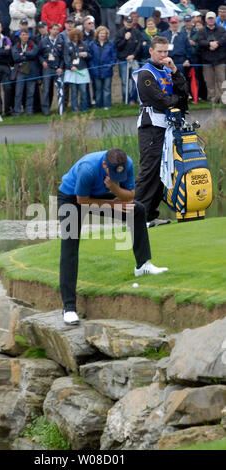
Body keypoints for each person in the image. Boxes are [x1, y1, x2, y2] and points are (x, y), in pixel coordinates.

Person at [57, 147, 169, 325]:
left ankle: (142, 265)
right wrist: (112, 204)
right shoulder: (88, 169)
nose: (120, 175)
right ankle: (69, 307)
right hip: (72, 197)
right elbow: (82, 201)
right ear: (105, 165)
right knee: (70, 245)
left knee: (137, 210)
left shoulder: (127, 164)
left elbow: (130, 196)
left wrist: (114, 187)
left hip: (102, 193)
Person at [132, 35, 188, 226]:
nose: (164, 56)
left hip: (167, 126)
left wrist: (174, 70)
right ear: (151, 51)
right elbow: (162, 101)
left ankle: (150, 216)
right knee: (149, 171)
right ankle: (137, 218)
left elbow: (184, 91)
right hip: (151, 127)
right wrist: (177, 100)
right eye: (160, 52)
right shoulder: (145, 74)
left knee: (163, 171)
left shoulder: (166, 70)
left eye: (166, 52)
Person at [197, 11, 226, 104]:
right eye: (209, 18)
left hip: (220, 60)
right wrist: (209, 44)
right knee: (209, 82)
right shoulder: (202, 31)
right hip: (207, 60)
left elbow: (224, 39)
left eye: (212, 18)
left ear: (215, 19)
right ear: (206, 20)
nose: (210, 20)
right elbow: (200, 41)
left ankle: (223, 99)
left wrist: (217, 43)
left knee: (222, 81)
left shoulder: (221, 29)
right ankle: (212, 99)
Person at [11, 28, 40, 115]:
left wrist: (23, 54)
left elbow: (34, 53)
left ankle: (29, 111)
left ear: (29, 36)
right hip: (20, 72)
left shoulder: (33, 45)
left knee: (30, 93)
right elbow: (15, 57)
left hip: (31, 72)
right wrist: (27, 56)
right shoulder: (16, 46)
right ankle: (17, 111)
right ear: (20, 36)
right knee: (18, 93)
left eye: (26, 35)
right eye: (23, 35)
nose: (25, 36)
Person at [114, 16, 142, 105]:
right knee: (124, 81)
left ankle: (133, 100)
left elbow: (139, 46)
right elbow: (117, 46)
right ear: (124, 22)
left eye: (130, 21)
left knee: (134, 81)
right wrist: (125, 39)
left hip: (134, 60)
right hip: (123, 60)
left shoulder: (137, 32)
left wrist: (133, 55)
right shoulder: (119, 33)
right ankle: (125, 100)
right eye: (127, 21)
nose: (129, 23)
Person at [89, 25, 116, 110]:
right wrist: (93, 67)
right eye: (101, 33)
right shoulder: (92, 44)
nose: (102, 35)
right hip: (96, 70)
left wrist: (111, 65)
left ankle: (107, 105)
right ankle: (98, 105)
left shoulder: (110, 43)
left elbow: (114, 56)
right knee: (98, 89)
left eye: (104, 33)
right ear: (97, 34)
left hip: (107, 70)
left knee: (107, 89)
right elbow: (90, 57)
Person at [39, 22, 64, 116]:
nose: (55, 31)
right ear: (50, 30)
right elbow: (39, 54)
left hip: (57, 68)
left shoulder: (61, 41)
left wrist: (61, 67)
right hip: (47, 68)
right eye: (54, 29)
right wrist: (42, 61)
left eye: (57, 29)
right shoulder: (44, 41)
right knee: (46, 89)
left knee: (59, 89)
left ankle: (61, 109)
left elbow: (63, 57)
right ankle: (46, 110)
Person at [63, 27, 90, 112]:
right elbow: (66, 57)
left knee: (83, 91)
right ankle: (74, 109)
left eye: (77, 36)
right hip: (72, 71)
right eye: (74, 36)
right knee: (74, 92)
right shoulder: (67, 45)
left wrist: (85, 54)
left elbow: (90, 56)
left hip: (82, 70)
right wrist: (70, 66)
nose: (75, 37)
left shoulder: (84, 44)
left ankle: (84, 108)